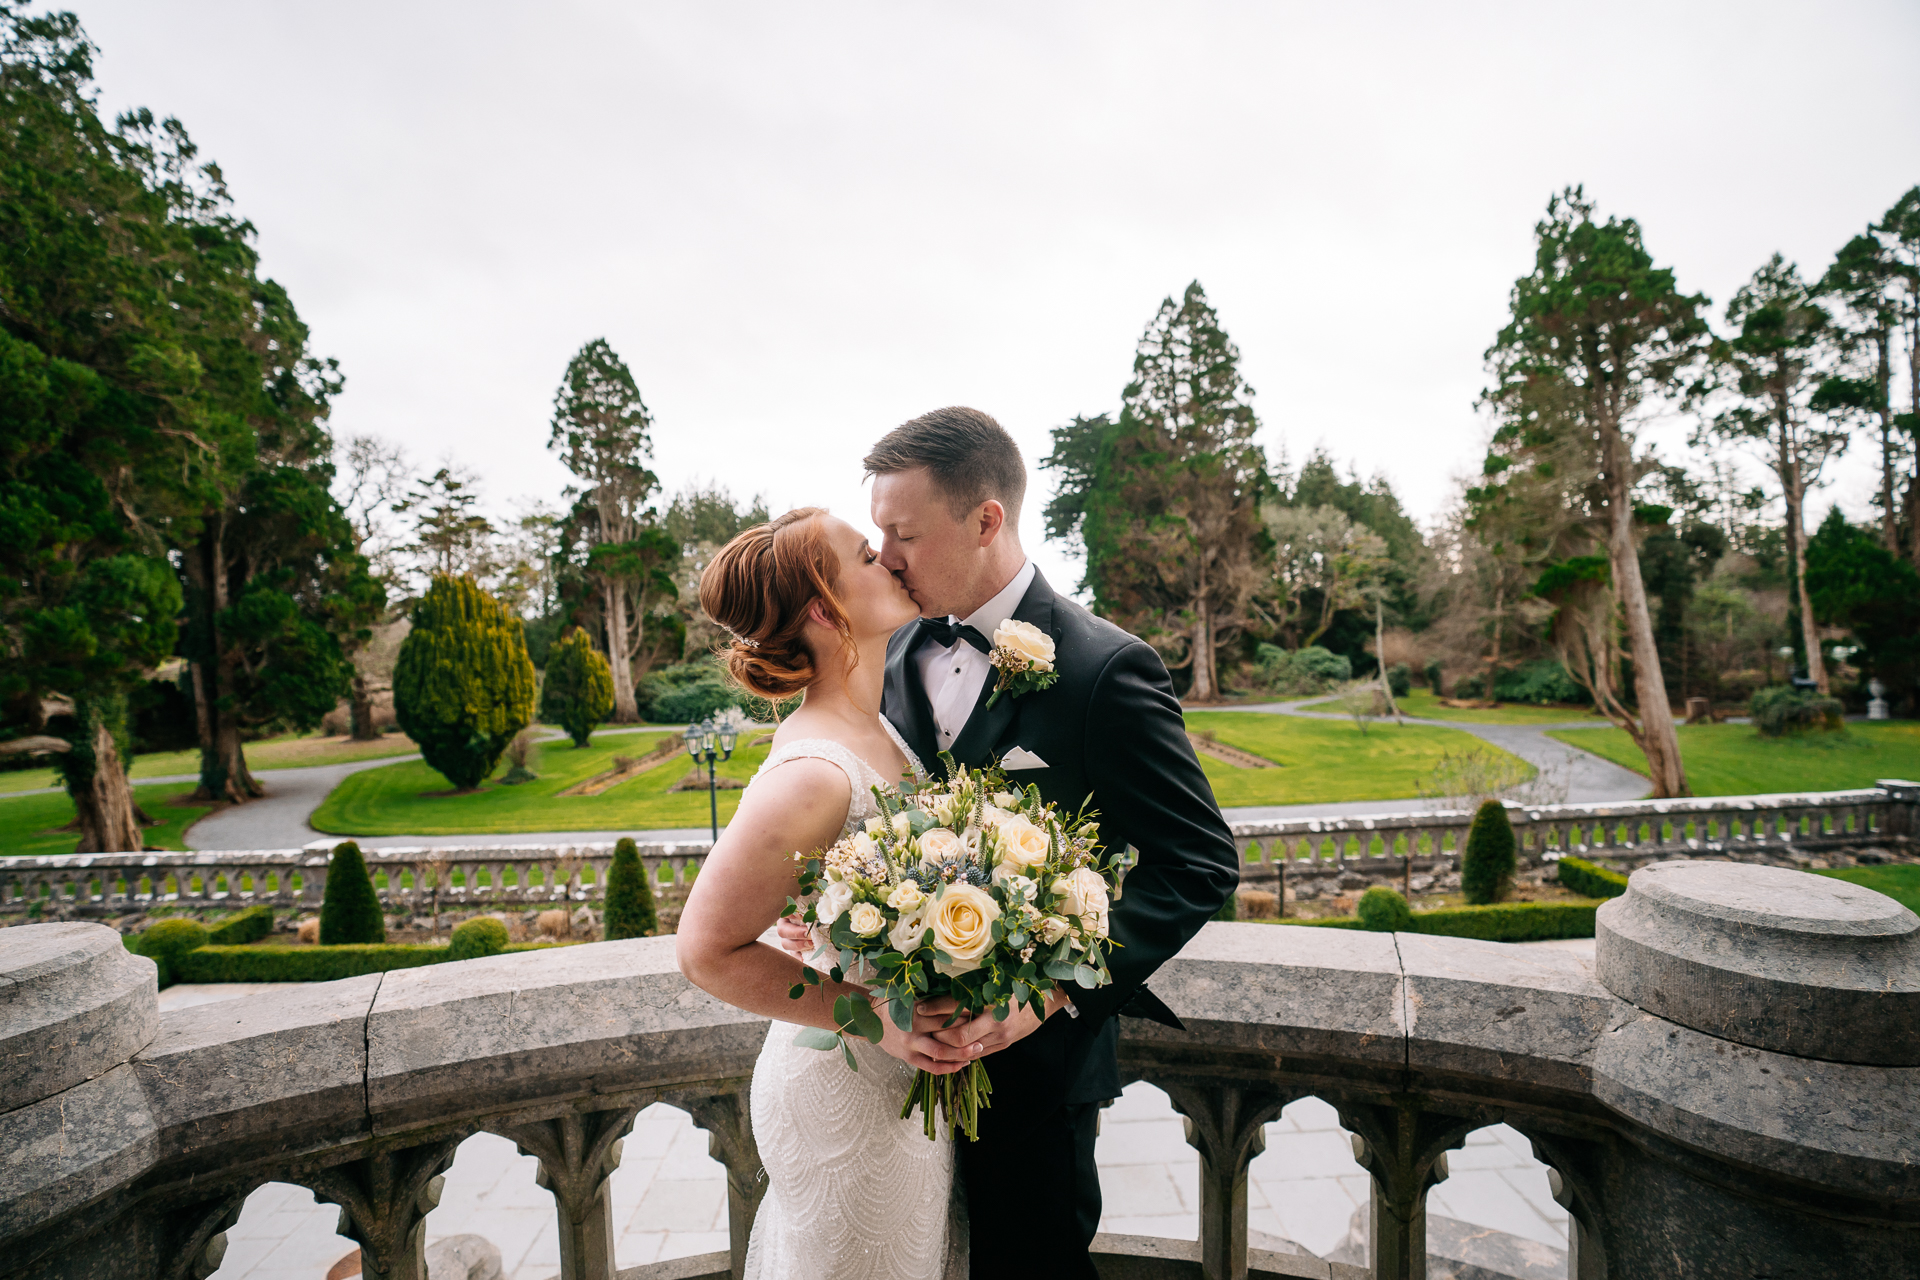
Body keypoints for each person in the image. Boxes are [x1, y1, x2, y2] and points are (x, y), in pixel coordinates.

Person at [773, 407, 1240, 1277]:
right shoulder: (886, 644)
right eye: (876, 535)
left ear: (986, 520)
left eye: (902, 532)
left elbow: (1199, 862)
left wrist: (1049, 997)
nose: (886, 556)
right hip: (884, 1071)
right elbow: (853, 823)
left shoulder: (1106, 670)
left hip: (1035, 1081)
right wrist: (820, 912)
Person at [676, 506, 982, 1279]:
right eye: (865, 555)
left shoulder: (878, 726)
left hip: (900, 1078)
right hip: (844, 1085)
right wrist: (876, 1015)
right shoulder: (814, 771)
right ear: (824, 606)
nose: (890, 557)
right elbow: (706, 950)